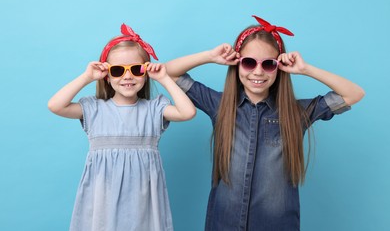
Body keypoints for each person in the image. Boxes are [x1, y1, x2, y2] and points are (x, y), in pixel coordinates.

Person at [165, 15, 365, 230]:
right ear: (237, 63)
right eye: (249, 62)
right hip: (223, 223)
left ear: (278, 67)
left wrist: (306, 69)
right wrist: (210, 56)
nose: (258, 72)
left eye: (268, 64)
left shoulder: (296, 113)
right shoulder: (219, 104)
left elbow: (353, 94)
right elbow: (168, 73)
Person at [48, 23, 196, 231]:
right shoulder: (95, 108)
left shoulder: (154, 108)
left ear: (145, 72)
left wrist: (164, 78)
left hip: (143, 199)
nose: (128, 76)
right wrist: (87, 77)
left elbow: (187, 112)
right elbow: (55, 105)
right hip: (103, 199)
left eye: (136, 70)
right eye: (118, 70)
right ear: (107, 76)